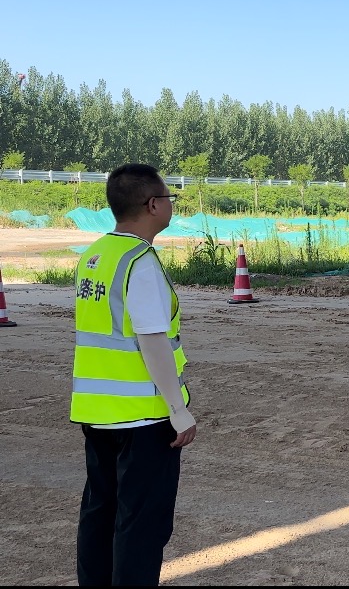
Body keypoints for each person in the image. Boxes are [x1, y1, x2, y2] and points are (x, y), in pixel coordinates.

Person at [72, 163, 197, 586]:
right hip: (143, 417)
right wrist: (178, 410)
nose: (170, 205)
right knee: (141, 525)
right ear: (152, 204)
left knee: (100, 512)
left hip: (97, 411)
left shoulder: (95, 255)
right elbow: (153, 342)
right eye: (169, 198)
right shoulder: (140, 262)